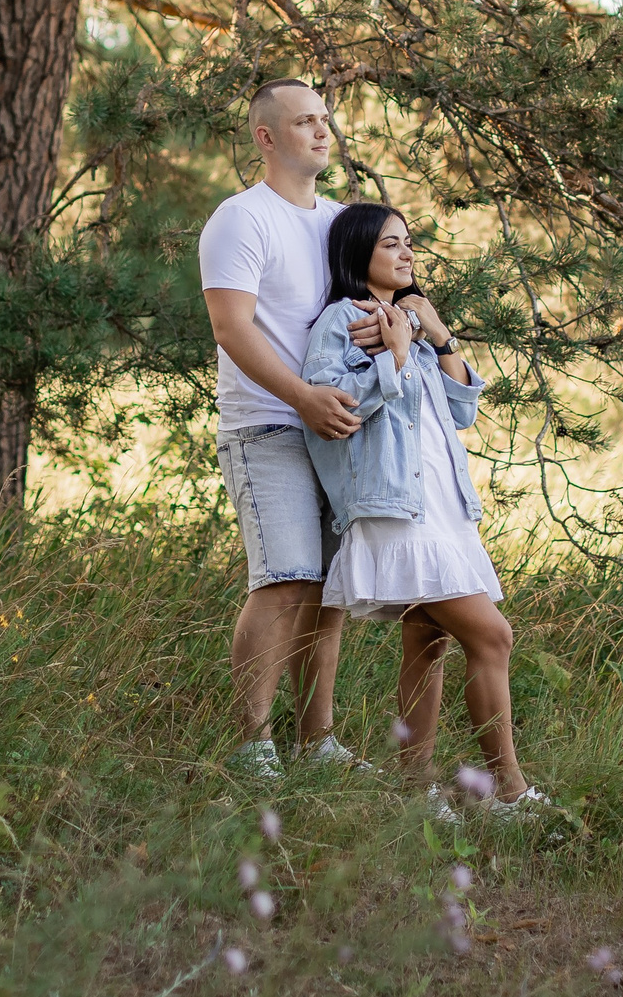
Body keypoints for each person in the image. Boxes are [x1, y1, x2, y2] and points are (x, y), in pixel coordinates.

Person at [301, 201, 549, 813]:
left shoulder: (409, 319)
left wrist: (437, 334)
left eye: (408, 243)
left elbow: (461, 407)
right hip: (395, 512)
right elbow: (332, 408)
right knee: (493, 636)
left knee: (428, 640)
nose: (407, 253)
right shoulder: (342, 321)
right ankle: (509, 792)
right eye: (391, 244)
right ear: (357, 253)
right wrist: (396, 354)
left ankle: (416, 791)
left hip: (444, 509)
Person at [199, 78, 381, 781]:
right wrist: (302, 396)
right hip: (267, 425)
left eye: (326, 120)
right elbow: (231, 327)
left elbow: (368, 303)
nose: (322, 131)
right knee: (284, 580)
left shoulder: (339, 222)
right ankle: (252, 747)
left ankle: (319, 744)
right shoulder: (241, 219)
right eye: (305, 121)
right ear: (266, 137)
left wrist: (383, 325)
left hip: (335, 429)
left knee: (331, 587)